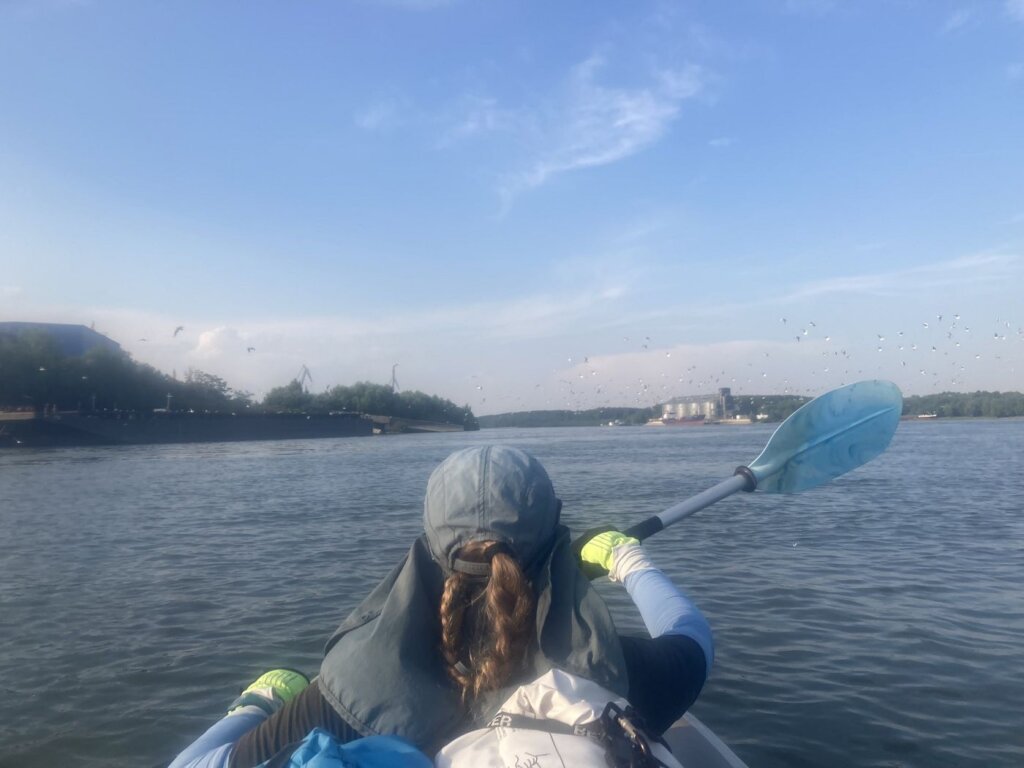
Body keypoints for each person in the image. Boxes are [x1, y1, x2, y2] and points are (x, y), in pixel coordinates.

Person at [168, 446, 712, 767]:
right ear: (556, 538)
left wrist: (260, 704)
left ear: (428, 546)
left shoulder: (342, 698)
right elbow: (691, 637)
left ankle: (259, 693)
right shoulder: (616, 679)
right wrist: (626, 561)